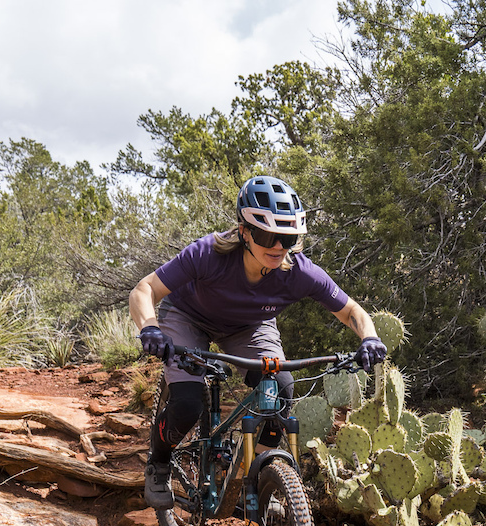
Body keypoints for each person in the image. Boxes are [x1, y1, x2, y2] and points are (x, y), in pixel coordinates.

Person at [129, 174, 387, 508]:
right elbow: (144, 289)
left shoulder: (299, 272)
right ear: (244, 232)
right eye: (268, 235)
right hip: (188, 317)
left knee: (279, 391)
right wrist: (150, 328)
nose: (279, 246)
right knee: (188, 405)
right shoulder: (208, 254)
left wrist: (370, 338)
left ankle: (256, 477)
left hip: (250, 326)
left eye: (288, 236)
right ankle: (159, 463)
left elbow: (351, 310)